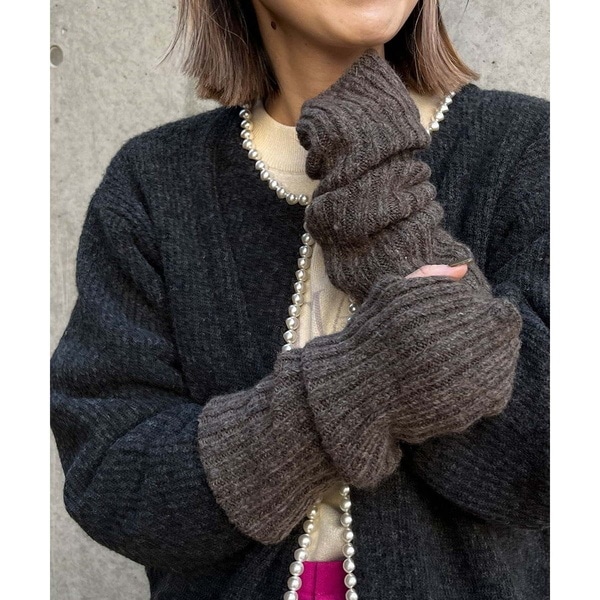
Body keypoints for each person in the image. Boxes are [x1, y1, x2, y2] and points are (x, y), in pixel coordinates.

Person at [50, 0, 549, 599]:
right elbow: (111, 479)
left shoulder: (531, 148)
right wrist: (360, 388)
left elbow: (546, 463)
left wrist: (380, 192)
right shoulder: (154, 181)